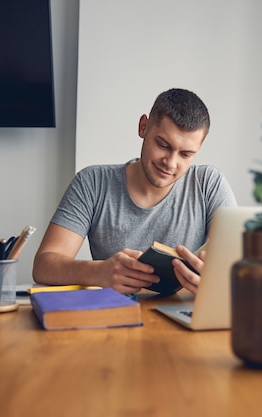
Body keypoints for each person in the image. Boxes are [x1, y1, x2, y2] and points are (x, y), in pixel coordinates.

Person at [32, 88, 237, 295]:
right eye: (163, 145)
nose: (171, 163)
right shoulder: (93, 182)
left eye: (186, 154)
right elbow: (44, 265)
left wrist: (218, 280)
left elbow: (242, 265)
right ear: (143, 127)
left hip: (184, 318)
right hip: (115, 317)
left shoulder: (209, 184)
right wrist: (98, 272)